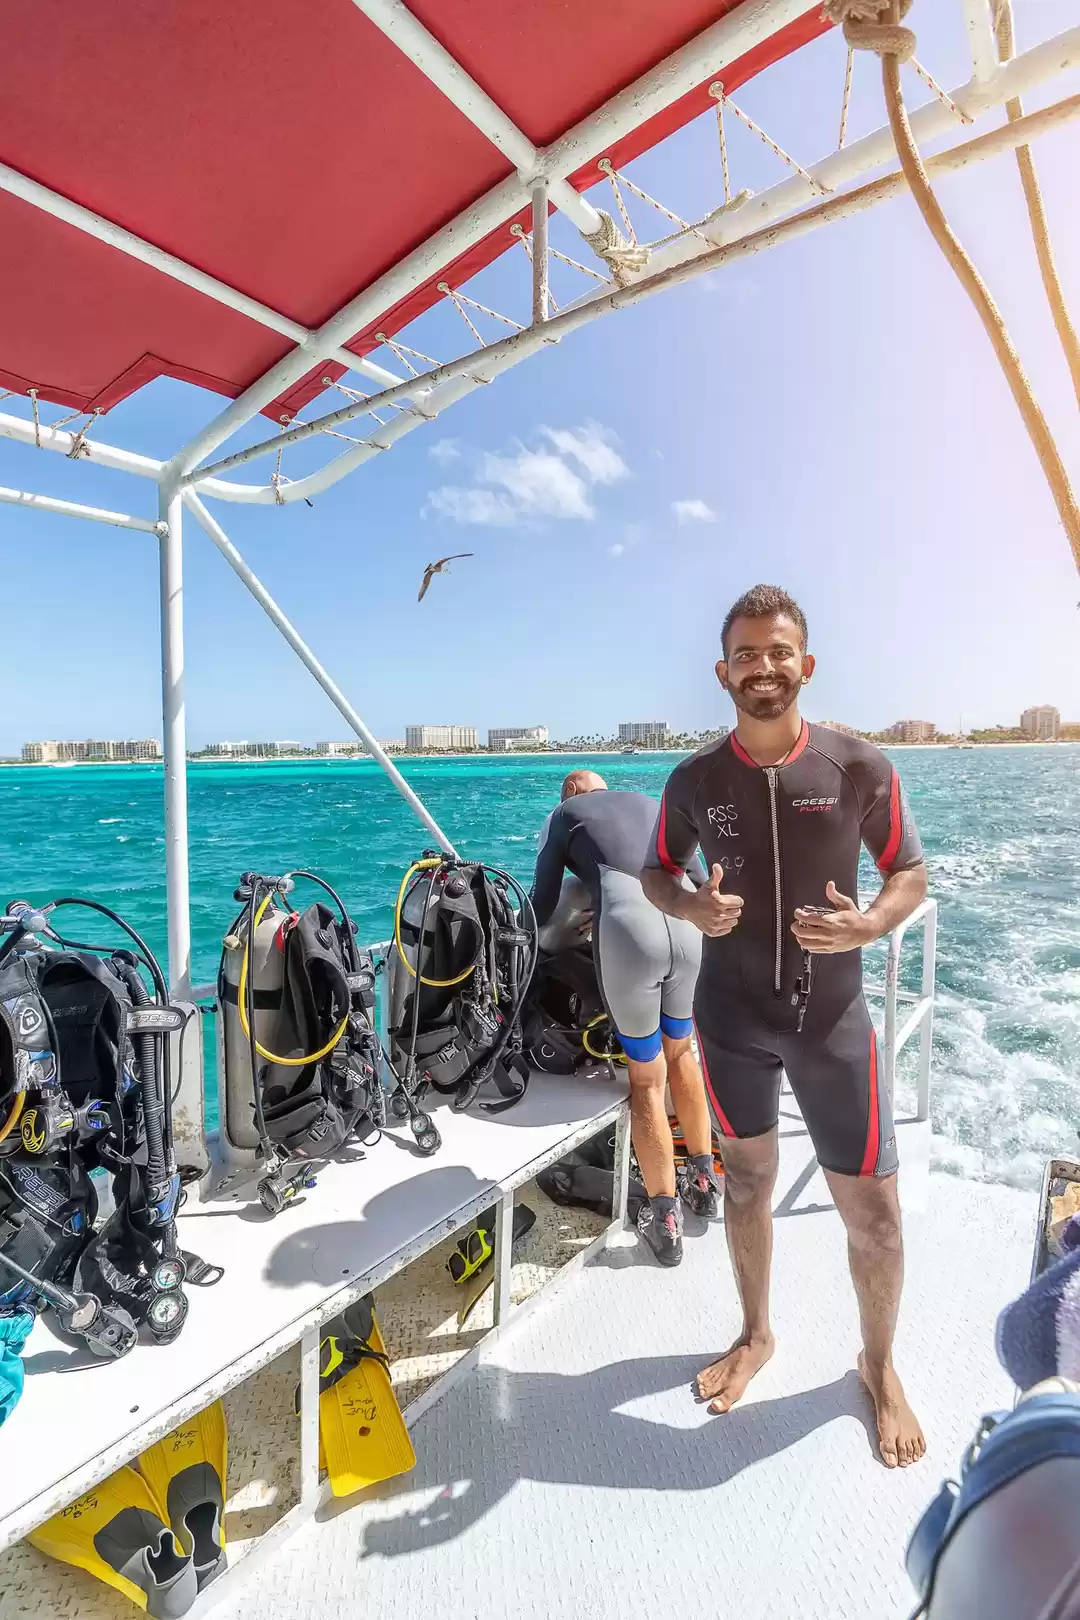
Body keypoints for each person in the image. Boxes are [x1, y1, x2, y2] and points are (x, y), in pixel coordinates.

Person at [641, 583, 929, 1467]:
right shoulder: (694, 779)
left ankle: (877, 1366)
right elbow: (656, 872)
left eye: (779, 652)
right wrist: (691, 905)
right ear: (722, 670)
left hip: (833, 1021)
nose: (763, 668)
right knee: (744, 1185)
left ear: (804, 664)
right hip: (730, 1021)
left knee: (874, 1217)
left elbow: (909, 873)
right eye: (746, 653)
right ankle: (755, 1333)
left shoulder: (858, 766)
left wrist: (870, 924)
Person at [530, 770, 716, 1266]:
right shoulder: (651, 806)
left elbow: (543, 904)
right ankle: (703, 1181)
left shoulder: (565, 815)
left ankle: (664, 1215)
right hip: (688, 928)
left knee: (647, 1079)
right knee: (682, 1054)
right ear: (607, 788)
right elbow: (699, 878)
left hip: (631, 936)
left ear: (568, 794)